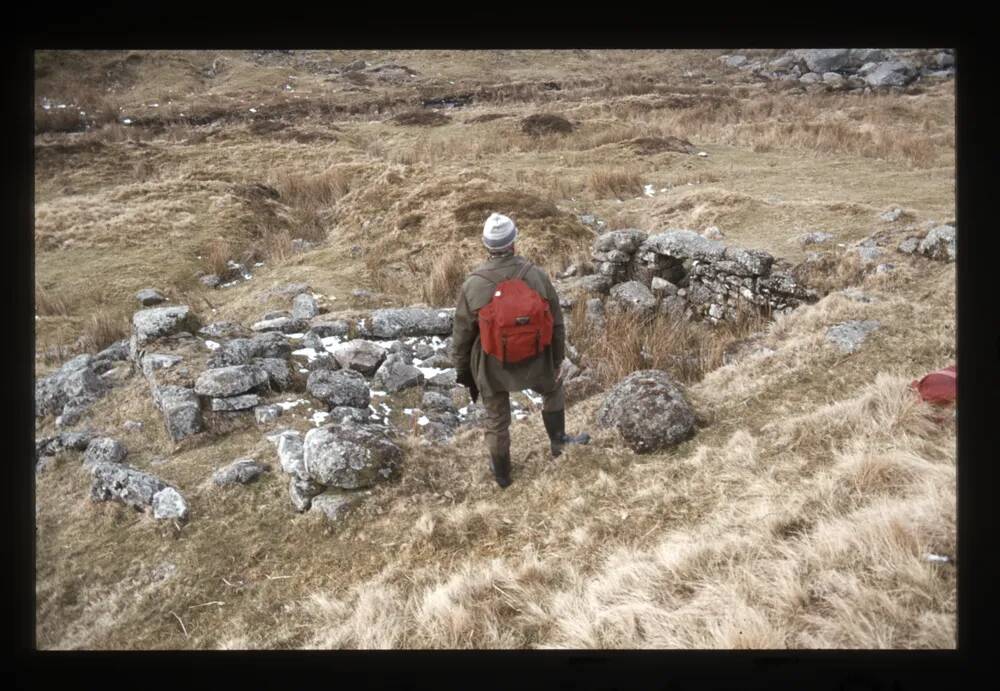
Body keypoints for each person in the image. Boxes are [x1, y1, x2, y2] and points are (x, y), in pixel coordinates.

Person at [452, 212, 590, 488]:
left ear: (486, 245)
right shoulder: (536, 276)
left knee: (496, 417)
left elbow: (463, 335)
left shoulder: (473, 284)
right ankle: (558, 442)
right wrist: (556, 360)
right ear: (514, 242)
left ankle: (502, 474)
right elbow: (556, 322)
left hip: (493, 365)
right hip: (536, 358)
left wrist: (464, 371)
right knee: (552, 389)